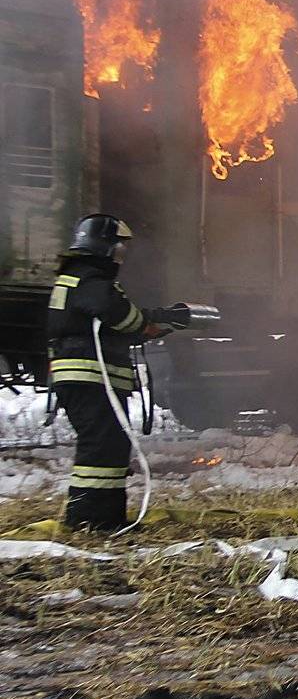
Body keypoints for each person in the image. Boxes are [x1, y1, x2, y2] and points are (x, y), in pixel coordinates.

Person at [47, 215, 194, 531]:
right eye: (118, 248)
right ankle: (89, 520)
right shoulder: (90, 279)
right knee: (101, 446)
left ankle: (105, 518)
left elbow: (111, 322)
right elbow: (119, 315)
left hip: (86, 377)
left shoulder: (77, 276)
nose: (120, 256)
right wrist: (146, 324)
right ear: (104, 246)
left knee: (110, 444)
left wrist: (156, 322)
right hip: (89, 376)